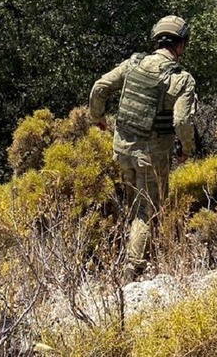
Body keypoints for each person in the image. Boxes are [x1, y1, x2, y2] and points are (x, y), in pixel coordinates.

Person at [90, 15, 198, 274]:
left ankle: (117, 246)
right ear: (181, 44)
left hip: (122, 148)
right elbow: (182, 120)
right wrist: (186, 150)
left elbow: (100, 87)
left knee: (132, 201)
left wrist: (98, 118)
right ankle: (133, 268)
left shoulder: (133, 63)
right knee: (146, 211)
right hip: (151, 155)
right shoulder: (182, 79)